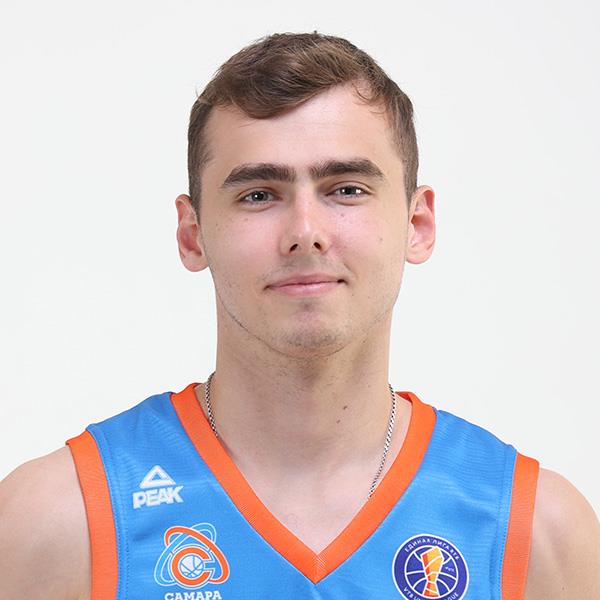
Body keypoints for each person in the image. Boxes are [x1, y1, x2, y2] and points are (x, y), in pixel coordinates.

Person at [0, 31, 598, 600]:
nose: (305, 232)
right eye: (259, 194)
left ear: (417, 224)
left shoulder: (535, 532)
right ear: (192, 234)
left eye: (347, 189)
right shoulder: (59, 520)